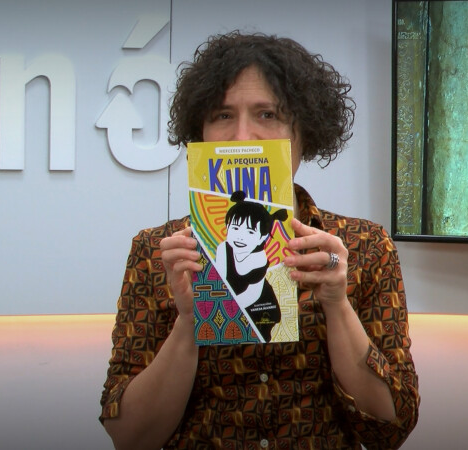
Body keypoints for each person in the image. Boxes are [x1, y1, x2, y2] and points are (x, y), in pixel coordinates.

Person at [100, 31, 419, 449]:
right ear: (199, 133)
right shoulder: (159, 252)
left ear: (304, 133)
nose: (242, 137)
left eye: (267, 114)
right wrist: (188, 321)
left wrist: (337, 305)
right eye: (222, 115)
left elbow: (391, 427)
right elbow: (129, 437)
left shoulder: (364, 246)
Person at [215, 190, 288, 343]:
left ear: (262, 237)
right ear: (227, 227)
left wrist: (228, 309)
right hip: (232, 301)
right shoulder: (223, 249)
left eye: (250, 232)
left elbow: (252, 295)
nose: (240, 237)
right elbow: (221, 281)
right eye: (235, 228)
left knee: (259, 335)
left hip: (259, 306)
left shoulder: (259, 260)